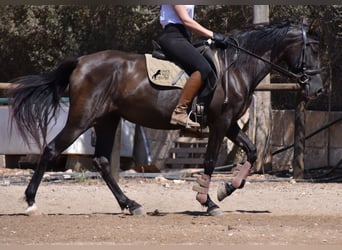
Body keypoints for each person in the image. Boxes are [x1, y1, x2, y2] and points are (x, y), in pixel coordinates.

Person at [157, 5, 227, 129]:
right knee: (203, 68)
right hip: (172, 36)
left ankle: (196, 115)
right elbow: (186, 20)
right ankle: (179, 112)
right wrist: (212, 35)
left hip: (184, 38)